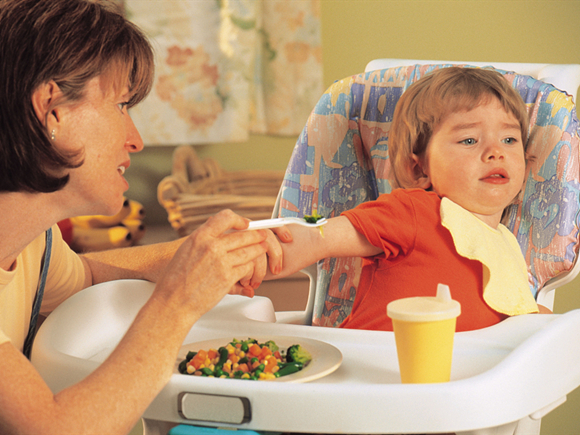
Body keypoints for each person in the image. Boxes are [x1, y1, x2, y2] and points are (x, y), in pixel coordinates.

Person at [0, 1, 289, 434]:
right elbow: (54, 428)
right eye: (121, 106)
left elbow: (89, 277)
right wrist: (180, 299)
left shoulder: (31, 244)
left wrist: (199, 257)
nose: (135, 140)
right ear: (51, 109)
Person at [263, 66, 551, 333]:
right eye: (469, 140)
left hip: (456, 383)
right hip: (369, 373)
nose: (495, 152)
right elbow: (321, 237)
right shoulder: (415, 212)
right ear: (419, 168)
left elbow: (507, 317)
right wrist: (264, 254)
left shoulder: (509, 247)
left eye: (510, 140)